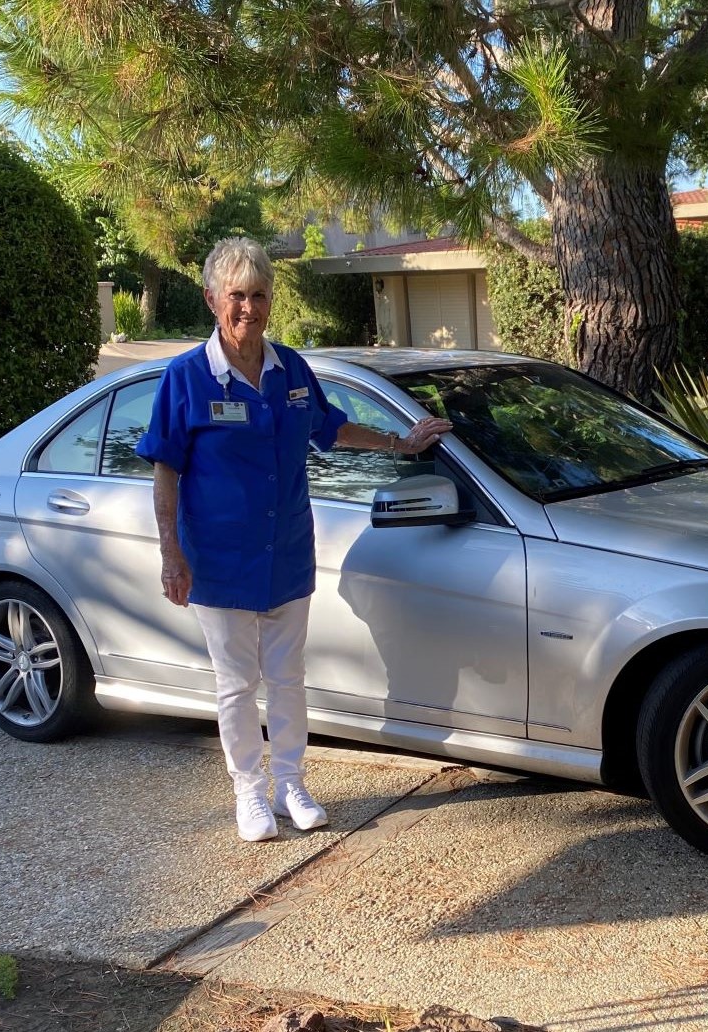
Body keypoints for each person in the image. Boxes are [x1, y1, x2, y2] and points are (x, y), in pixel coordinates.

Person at [136, 236, 451, 842]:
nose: (248, 308)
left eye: (259, 295)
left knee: (287, 678)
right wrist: (171, 556)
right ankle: (249, 795)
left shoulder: (291, 371)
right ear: (211, 300)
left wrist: (400, 443)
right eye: (236, 296)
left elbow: (330, 430)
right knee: (236, 685)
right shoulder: (186, 379)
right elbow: (165, 473)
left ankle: (291, 785)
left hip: (286, 555)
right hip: (220, 563)